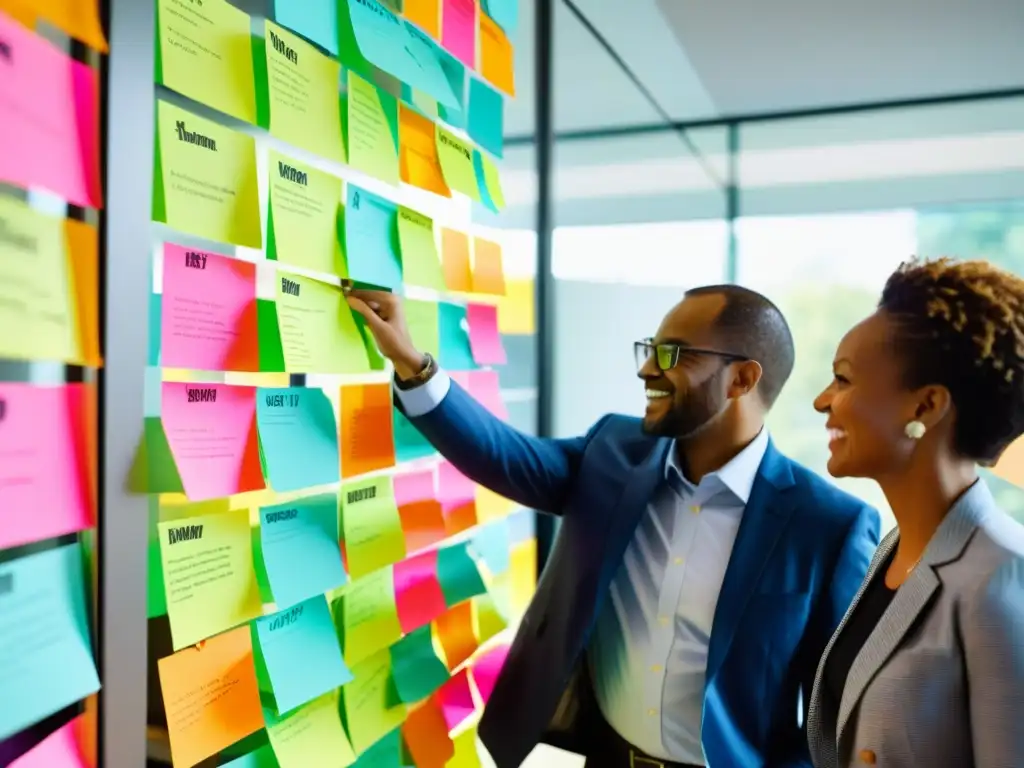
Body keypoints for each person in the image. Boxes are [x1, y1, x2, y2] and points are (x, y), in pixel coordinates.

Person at [348, 284, 880, 768]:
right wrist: (412, 364)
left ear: (741, 378)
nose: (647, 369)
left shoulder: (830, 526)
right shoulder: (612, 452)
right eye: (649, 349)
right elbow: (505, 458)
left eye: (671, 354)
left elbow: (834, 718)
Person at [807, 257, 1024, 768]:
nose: (822, 401)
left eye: (842, 379)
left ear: (925, 406)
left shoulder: (1003, 576)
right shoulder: (892, 550)